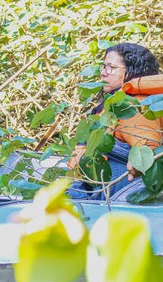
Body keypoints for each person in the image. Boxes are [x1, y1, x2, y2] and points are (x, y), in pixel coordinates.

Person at [68, 43, 162, 197]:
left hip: (116, 192)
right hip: (101, 189)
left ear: (132, 71)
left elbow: (147, 150)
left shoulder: (134, 106)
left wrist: (139, 165)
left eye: (111, 67)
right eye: (104, 67)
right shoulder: (116, 104)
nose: (104, 73)